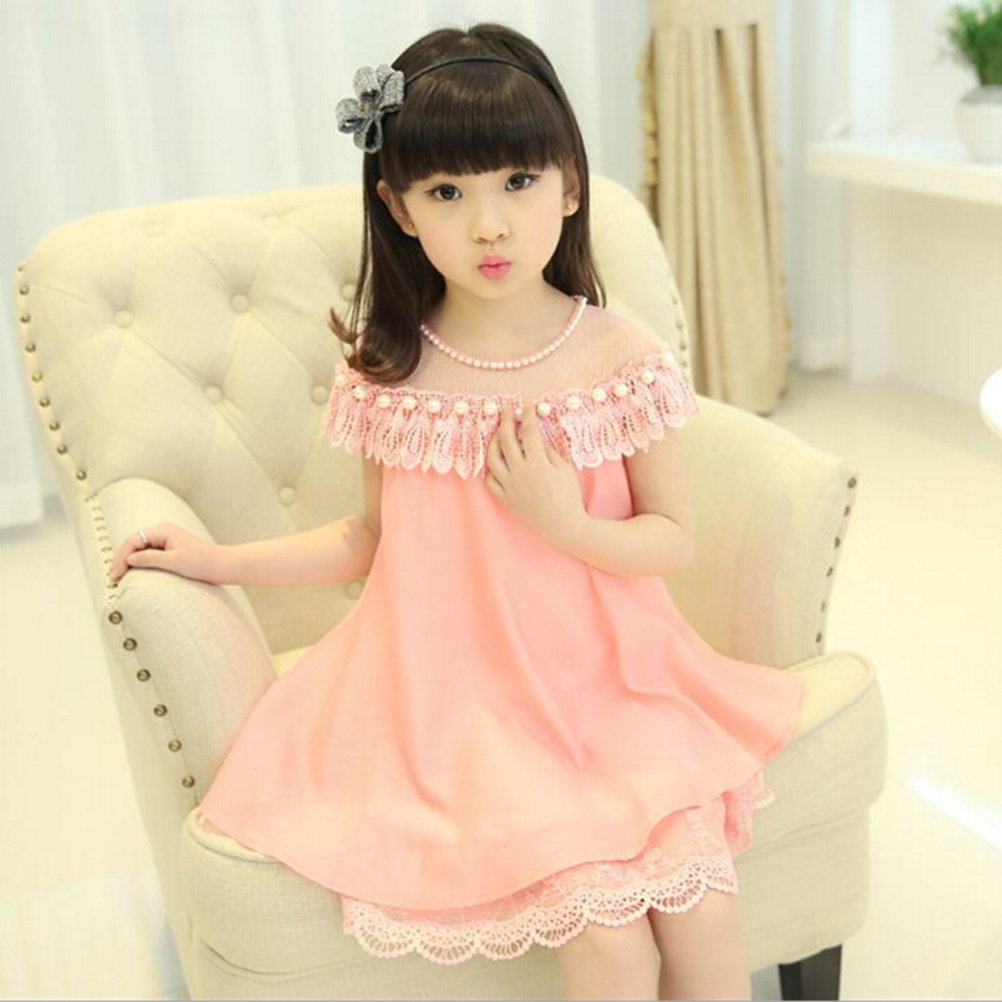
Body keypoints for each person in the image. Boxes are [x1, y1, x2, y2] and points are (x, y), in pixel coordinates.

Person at [109, 22, 805, 1001]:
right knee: (609, 943)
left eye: (517, 182)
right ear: (397, 207)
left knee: (706, 909)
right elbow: (369, 540)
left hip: (613, 688)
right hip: (460, 705)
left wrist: (565, 526)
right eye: (447, 192)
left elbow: (671, 538)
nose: (489, 225)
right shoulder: (392, 370)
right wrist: (212, 560)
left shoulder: (619, 354)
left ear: (570, 185)